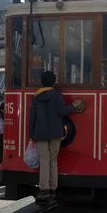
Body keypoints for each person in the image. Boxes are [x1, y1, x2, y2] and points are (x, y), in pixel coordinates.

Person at [29, 71, 81, 202]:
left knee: (44, 160)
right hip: (56, 133)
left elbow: (32, 117)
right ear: (53, 82)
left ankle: (44, 189)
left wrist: (31, 134)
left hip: (40, 133)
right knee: (53, 160)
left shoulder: (36, 97)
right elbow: (62, 111)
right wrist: (73, 106)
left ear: (42, 82)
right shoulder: (57, 95)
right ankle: (53, 188)